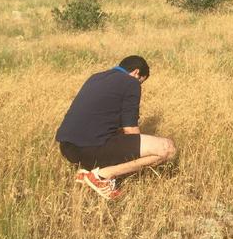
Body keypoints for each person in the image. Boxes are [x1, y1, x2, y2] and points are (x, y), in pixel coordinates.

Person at [56, 55, 176, 200]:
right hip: (90, 149)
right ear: (136, 73)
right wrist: (138, 155)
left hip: (67, 149)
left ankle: (89, 171)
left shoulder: (95, 77)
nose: (139, 85)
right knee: (168, 149)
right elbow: (130, 130)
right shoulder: (131, 82)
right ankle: (101, 176)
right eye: (141, 81)